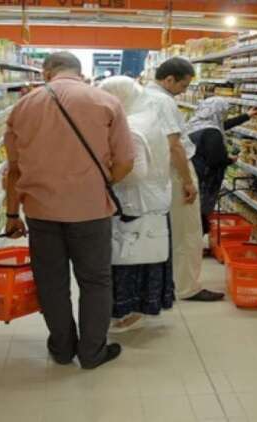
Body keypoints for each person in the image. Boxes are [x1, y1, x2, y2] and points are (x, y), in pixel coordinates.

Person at [3, 52, 135, 369]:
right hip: (90, 210)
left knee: (51, 282)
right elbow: (126, 161)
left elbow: (14, 169)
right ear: (80, 71)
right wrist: (101, 183)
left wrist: (11, 214)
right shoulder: (106, 102)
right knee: (95, 281)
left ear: (47, 72)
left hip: (40, 211)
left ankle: (62, 349)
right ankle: (92, 352)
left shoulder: (23, 106)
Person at [145, 57, 224, 302]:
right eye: (183, 85)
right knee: (187, 231)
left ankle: (170, 281)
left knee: (171, 230)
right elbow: (175, 145)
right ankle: (187, 287)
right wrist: (187, 180)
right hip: (174, 170)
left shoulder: (144, 95)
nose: (184, 91)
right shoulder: (164, 101)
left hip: (156, 170)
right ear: (169, 79)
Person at [99, 76, 174, 332]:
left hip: (137, 201)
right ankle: (144, 306)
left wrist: (105, 176)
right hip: (155, 197)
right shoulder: (148, 117)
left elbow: (135, 172)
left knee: (130, 256)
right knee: (149, 254)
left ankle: (128, 311)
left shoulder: (131, 126)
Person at [186, 97, 257, 233]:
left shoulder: (195, 123)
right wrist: (229, 160)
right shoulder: (212, 133)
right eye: (224, 112)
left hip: (194, 171)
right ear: (218, 112)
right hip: (205, 179)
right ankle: (199, 237)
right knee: (200, 214)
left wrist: (246, 116)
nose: (225, 115)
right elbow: (215, 160)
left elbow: (221, 125)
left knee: (192, 212)